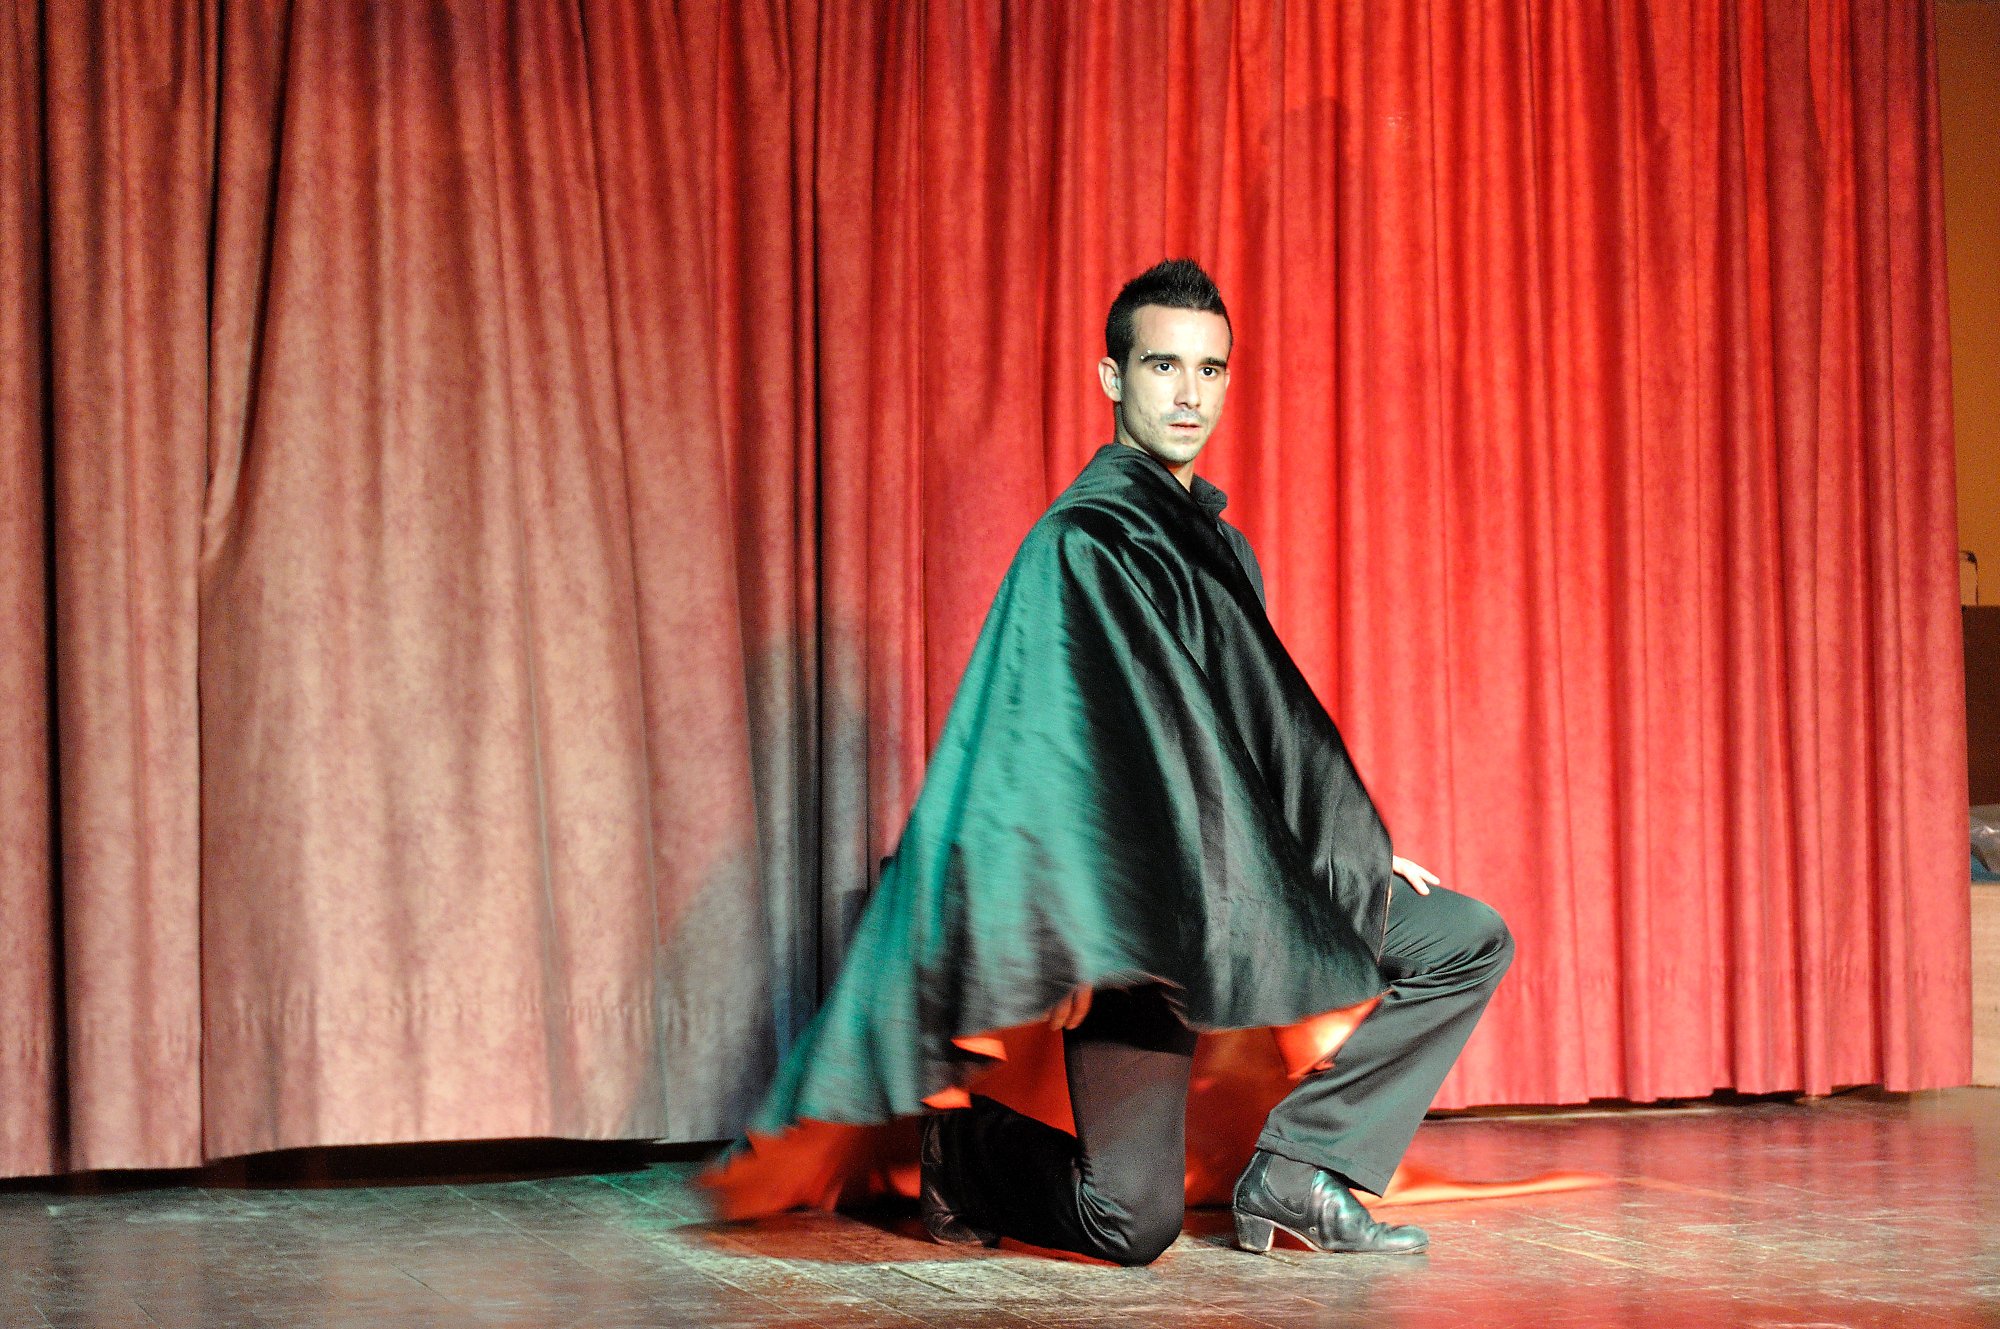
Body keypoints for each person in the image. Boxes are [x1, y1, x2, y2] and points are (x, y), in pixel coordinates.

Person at [738, 259, 1513, 1267]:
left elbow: (1243, 736)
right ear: (1112, 378)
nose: (1188, 394)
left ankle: (1301, 1165)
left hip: (1238, 887)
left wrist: (1342, 844)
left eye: (1209, 369)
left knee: (1462, 938)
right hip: (1136, 919)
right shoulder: (1078, 545)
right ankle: (963, 1152)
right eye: (1161, 365)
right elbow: (1034, 754)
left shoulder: (1225, 553)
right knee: (1131, 1223)